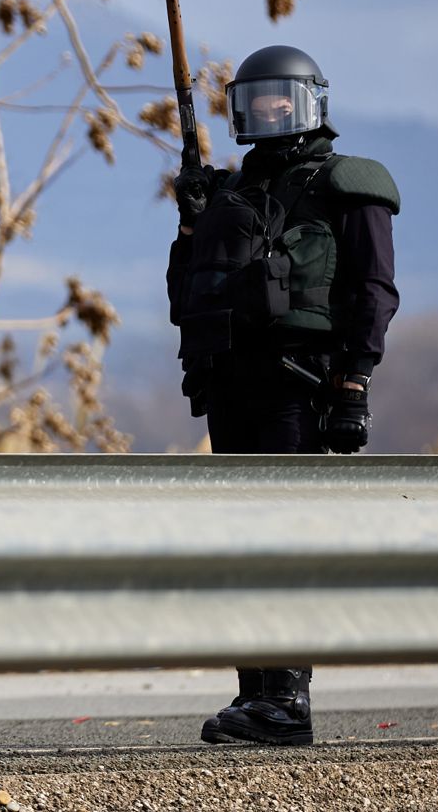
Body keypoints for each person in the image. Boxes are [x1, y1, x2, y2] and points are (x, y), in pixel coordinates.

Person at [166, 45, 400, 746]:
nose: (268, 112)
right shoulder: (230, 194)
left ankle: (288, 697)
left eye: (281, 100)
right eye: (255, 101)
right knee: (243, 542)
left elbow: (374, 289)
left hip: (304, 387)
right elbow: (188, 293)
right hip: (233, 386)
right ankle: (255, 690)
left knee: (285, 539)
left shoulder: (345, 184)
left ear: (311, 104)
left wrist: (354, 380)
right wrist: (193, 223)